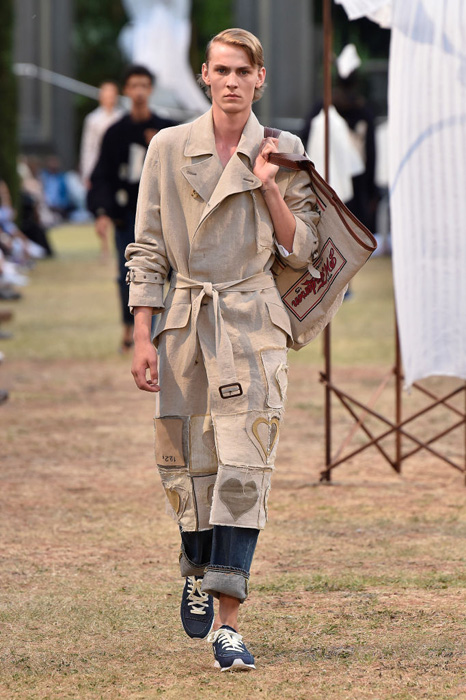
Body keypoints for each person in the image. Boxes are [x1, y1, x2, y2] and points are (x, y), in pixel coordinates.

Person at [125, 29, 319, 671]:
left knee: (246, 465)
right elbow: (148, 246)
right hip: (186, 321)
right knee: (187, 463)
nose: (232, 81)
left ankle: (228, 624)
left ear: (261, 78)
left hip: (254, 321)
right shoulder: (167, 146)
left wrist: (268, 187)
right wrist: (143, 333)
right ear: (204, 76)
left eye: (244, 71)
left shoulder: (284, 149)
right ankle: (196, 563)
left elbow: (303, 251)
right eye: (222, 70)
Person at [87, 66, 176, 353]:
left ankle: (168, 333)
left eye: (144, 85)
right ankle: (131, 330)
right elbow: (102, 175)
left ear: (150, 90)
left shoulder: (167, 130)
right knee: (128, 274)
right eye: (134, 85)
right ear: (126, 90)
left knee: (172, 274)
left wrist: (157, 145)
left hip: (165, 215)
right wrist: (102, 212)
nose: (139, 92)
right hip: (127, 215)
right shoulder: (115, 133)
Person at [79, 82, 124, 258]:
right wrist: (87, 173)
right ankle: (104, 246)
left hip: (117, 169)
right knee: (101, 209)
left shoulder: (121, 116)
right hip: (99, 170)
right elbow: (88, 147)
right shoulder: (93, 119)